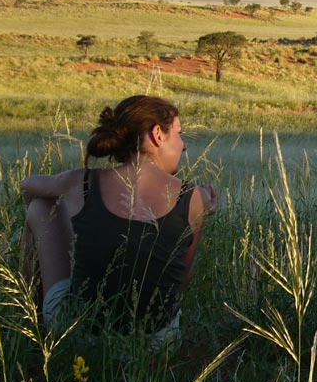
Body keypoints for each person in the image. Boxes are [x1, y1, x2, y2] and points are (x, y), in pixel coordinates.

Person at [19, 95, 216, 347]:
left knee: (39, 207)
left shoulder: (83, 182)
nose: (184, 145)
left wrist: (74, 201)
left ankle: (31, 325)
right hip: (157, 342)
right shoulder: (194, 197)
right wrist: (204, 208)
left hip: (81, 337)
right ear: (157, 134)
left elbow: (28, 186)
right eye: (179, 134)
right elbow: (179, 284)